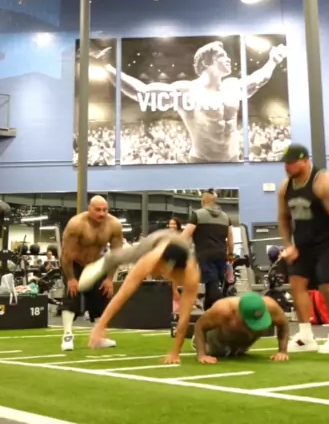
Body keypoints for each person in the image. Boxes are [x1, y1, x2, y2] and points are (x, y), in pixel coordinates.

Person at [93, 41, 286, 163]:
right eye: (222, 56)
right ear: (206, 63)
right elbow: (141, 91)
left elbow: (259, 79)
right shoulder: (187, 91)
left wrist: (273, 61)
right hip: (201, 162)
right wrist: (106, 66)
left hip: (233, 160)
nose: (228, 59)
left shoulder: (233, 86)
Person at [78, 229, 200, 364]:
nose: (155, 272)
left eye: (159, 269)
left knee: (184, 302)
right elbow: (123, 293)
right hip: (158, 240)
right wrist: (100, 325)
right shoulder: (151, 258)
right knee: (131, 255)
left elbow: (184, 316)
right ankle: (107, 260)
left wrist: (176, 352)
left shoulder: (192, 277)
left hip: (179, 247)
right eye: (157, 268)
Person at [277, 143, 329, 354]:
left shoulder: (324, 182)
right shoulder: (285, 187)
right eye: (285, 163)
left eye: (292, 163)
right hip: (303, 243)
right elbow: (283, 218)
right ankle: (305, 335)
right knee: (296, 282)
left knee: (326, 283)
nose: (287, 167)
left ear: (305, 161)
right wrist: (288, 245)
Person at [60, 196, 123, 352]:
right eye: (98, 210)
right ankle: (67, 335)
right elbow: (66, 255)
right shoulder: (76, 224)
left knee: (102, 296)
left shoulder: (114, 225)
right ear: (89, 209)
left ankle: (98, 337)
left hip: (96, 264)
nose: (101, 213)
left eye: (105, 210)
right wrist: (71, 278)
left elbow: (116, 254)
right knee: (71, 296)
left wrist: (110, 278)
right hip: (75, 263)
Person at [193, 292, 289, 363]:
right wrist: (201, 354)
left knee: (237, 353)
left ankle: (236, 348)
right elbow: (199, 326)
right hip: (218, 337)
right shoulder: (223, 310)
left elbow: (284, 324)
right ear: (238, 313)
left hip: (242, 340)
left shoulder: (271, 306)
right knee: (217, 352)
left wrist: (282, 352)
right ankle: (198, 342)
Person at [182, 190, 234, 310]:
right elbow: (231, 240)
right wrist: (230, 255)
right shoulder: (226, 217)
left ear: (203, 201)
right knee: (215, 284)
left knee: (212, 284)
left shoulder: (197, 215)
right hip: (221, 255)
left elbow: (185, 236)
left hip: (204, 255)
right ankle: (211, 311)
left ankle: (217, 310)